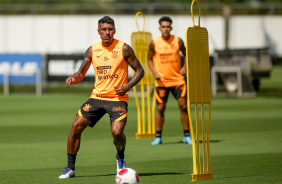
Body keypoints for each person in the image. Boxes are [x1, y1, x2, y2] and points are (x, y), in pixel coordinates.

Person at [59, 16, 144, 179]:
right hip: (97, 97)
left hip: (117, 99)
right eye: (104, 29)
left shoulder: (124, 48)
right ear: (98, 31)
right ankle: (70, 168)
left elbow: (140, 71)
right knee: (76, 126)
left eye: (110, 29)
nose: (107, 32)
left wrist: (127, 87)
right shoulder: (92, 50)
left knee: (117, 132)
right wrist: (73, 78)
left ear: (115, 31)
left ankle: (120, 158)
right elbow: (80, 73)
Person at [147, 16, 192, 145]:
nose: (166, 29)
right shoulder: (154, 43)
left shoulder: (178, 41)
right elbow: (149, 59)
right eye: (163, 27)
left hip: (178, 80)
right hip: (162, 82)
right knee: (160, 108)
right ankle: (158, 137)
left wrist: (185, 67)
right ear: (159, 28)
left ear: (171, 28)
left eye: (168, 27)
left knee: (183, 106)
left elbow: (186, 53)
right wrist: (154, 72)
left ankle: (187, 136)